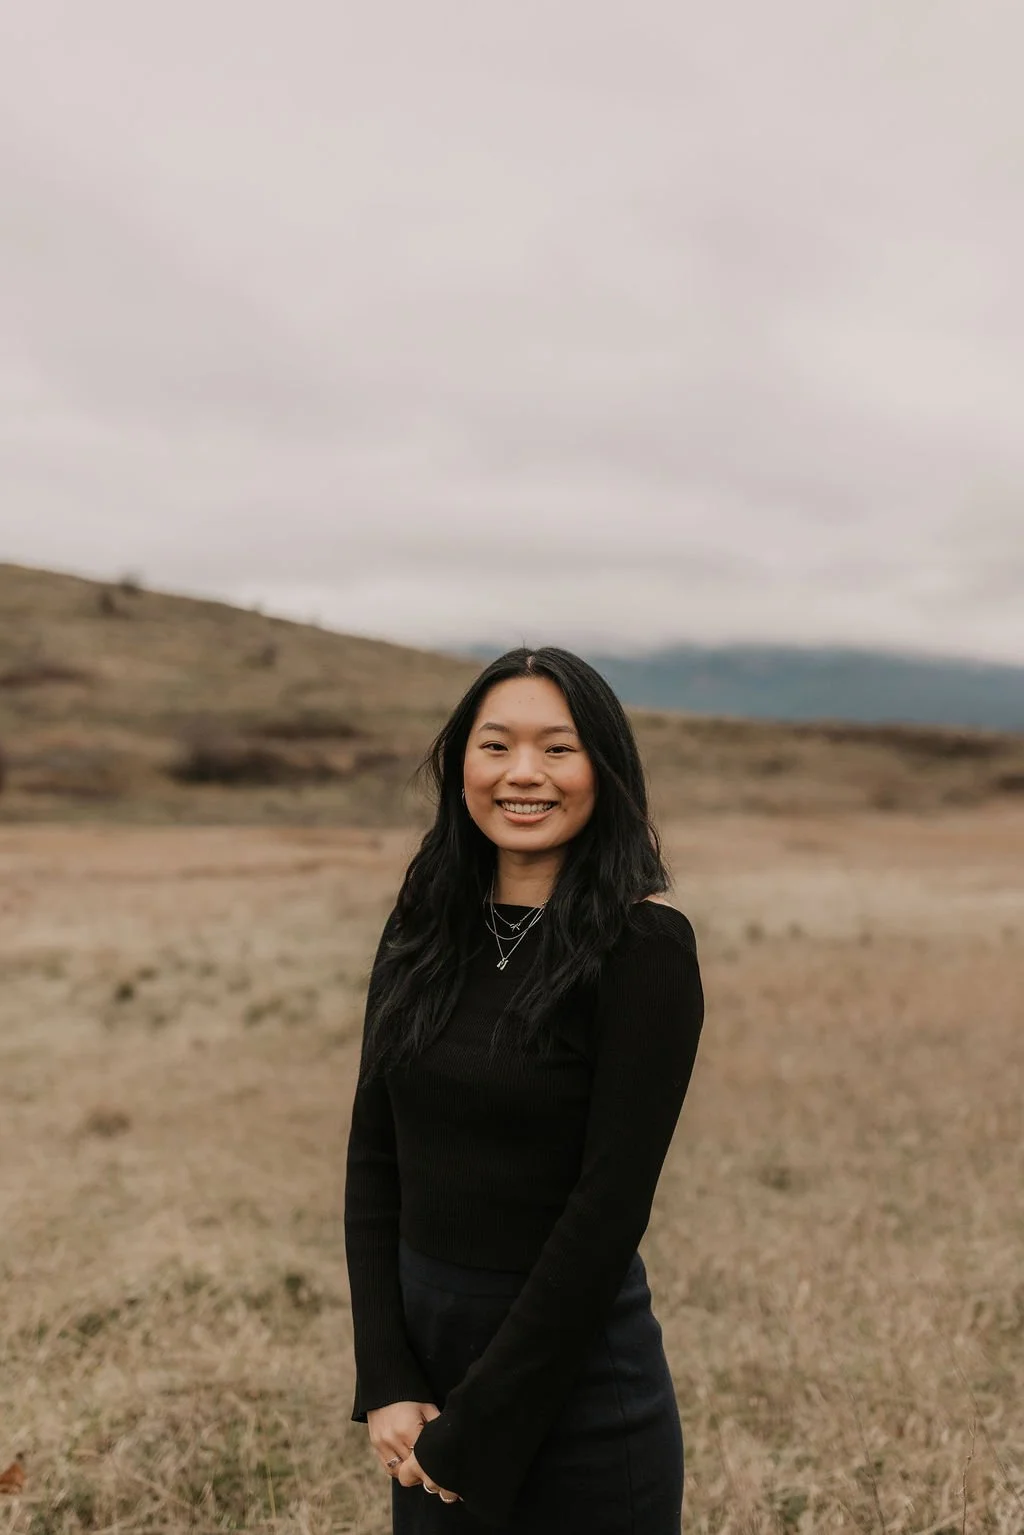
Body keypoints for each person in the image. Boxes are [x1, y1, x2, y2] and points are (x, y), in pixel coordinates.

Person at [344, 646, 705, 1532]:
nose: (524, 774)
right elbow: (373, 1157)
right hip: (424, 1398)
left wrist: (481, 1424)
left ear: (604, 769)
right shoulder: (422, 928)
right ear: (462, 763)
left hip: (579, 1389)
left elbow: (607, 1210)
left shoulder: (642, 950)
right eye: (496, 745)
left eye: (559, 747)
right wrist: (388, 1379)